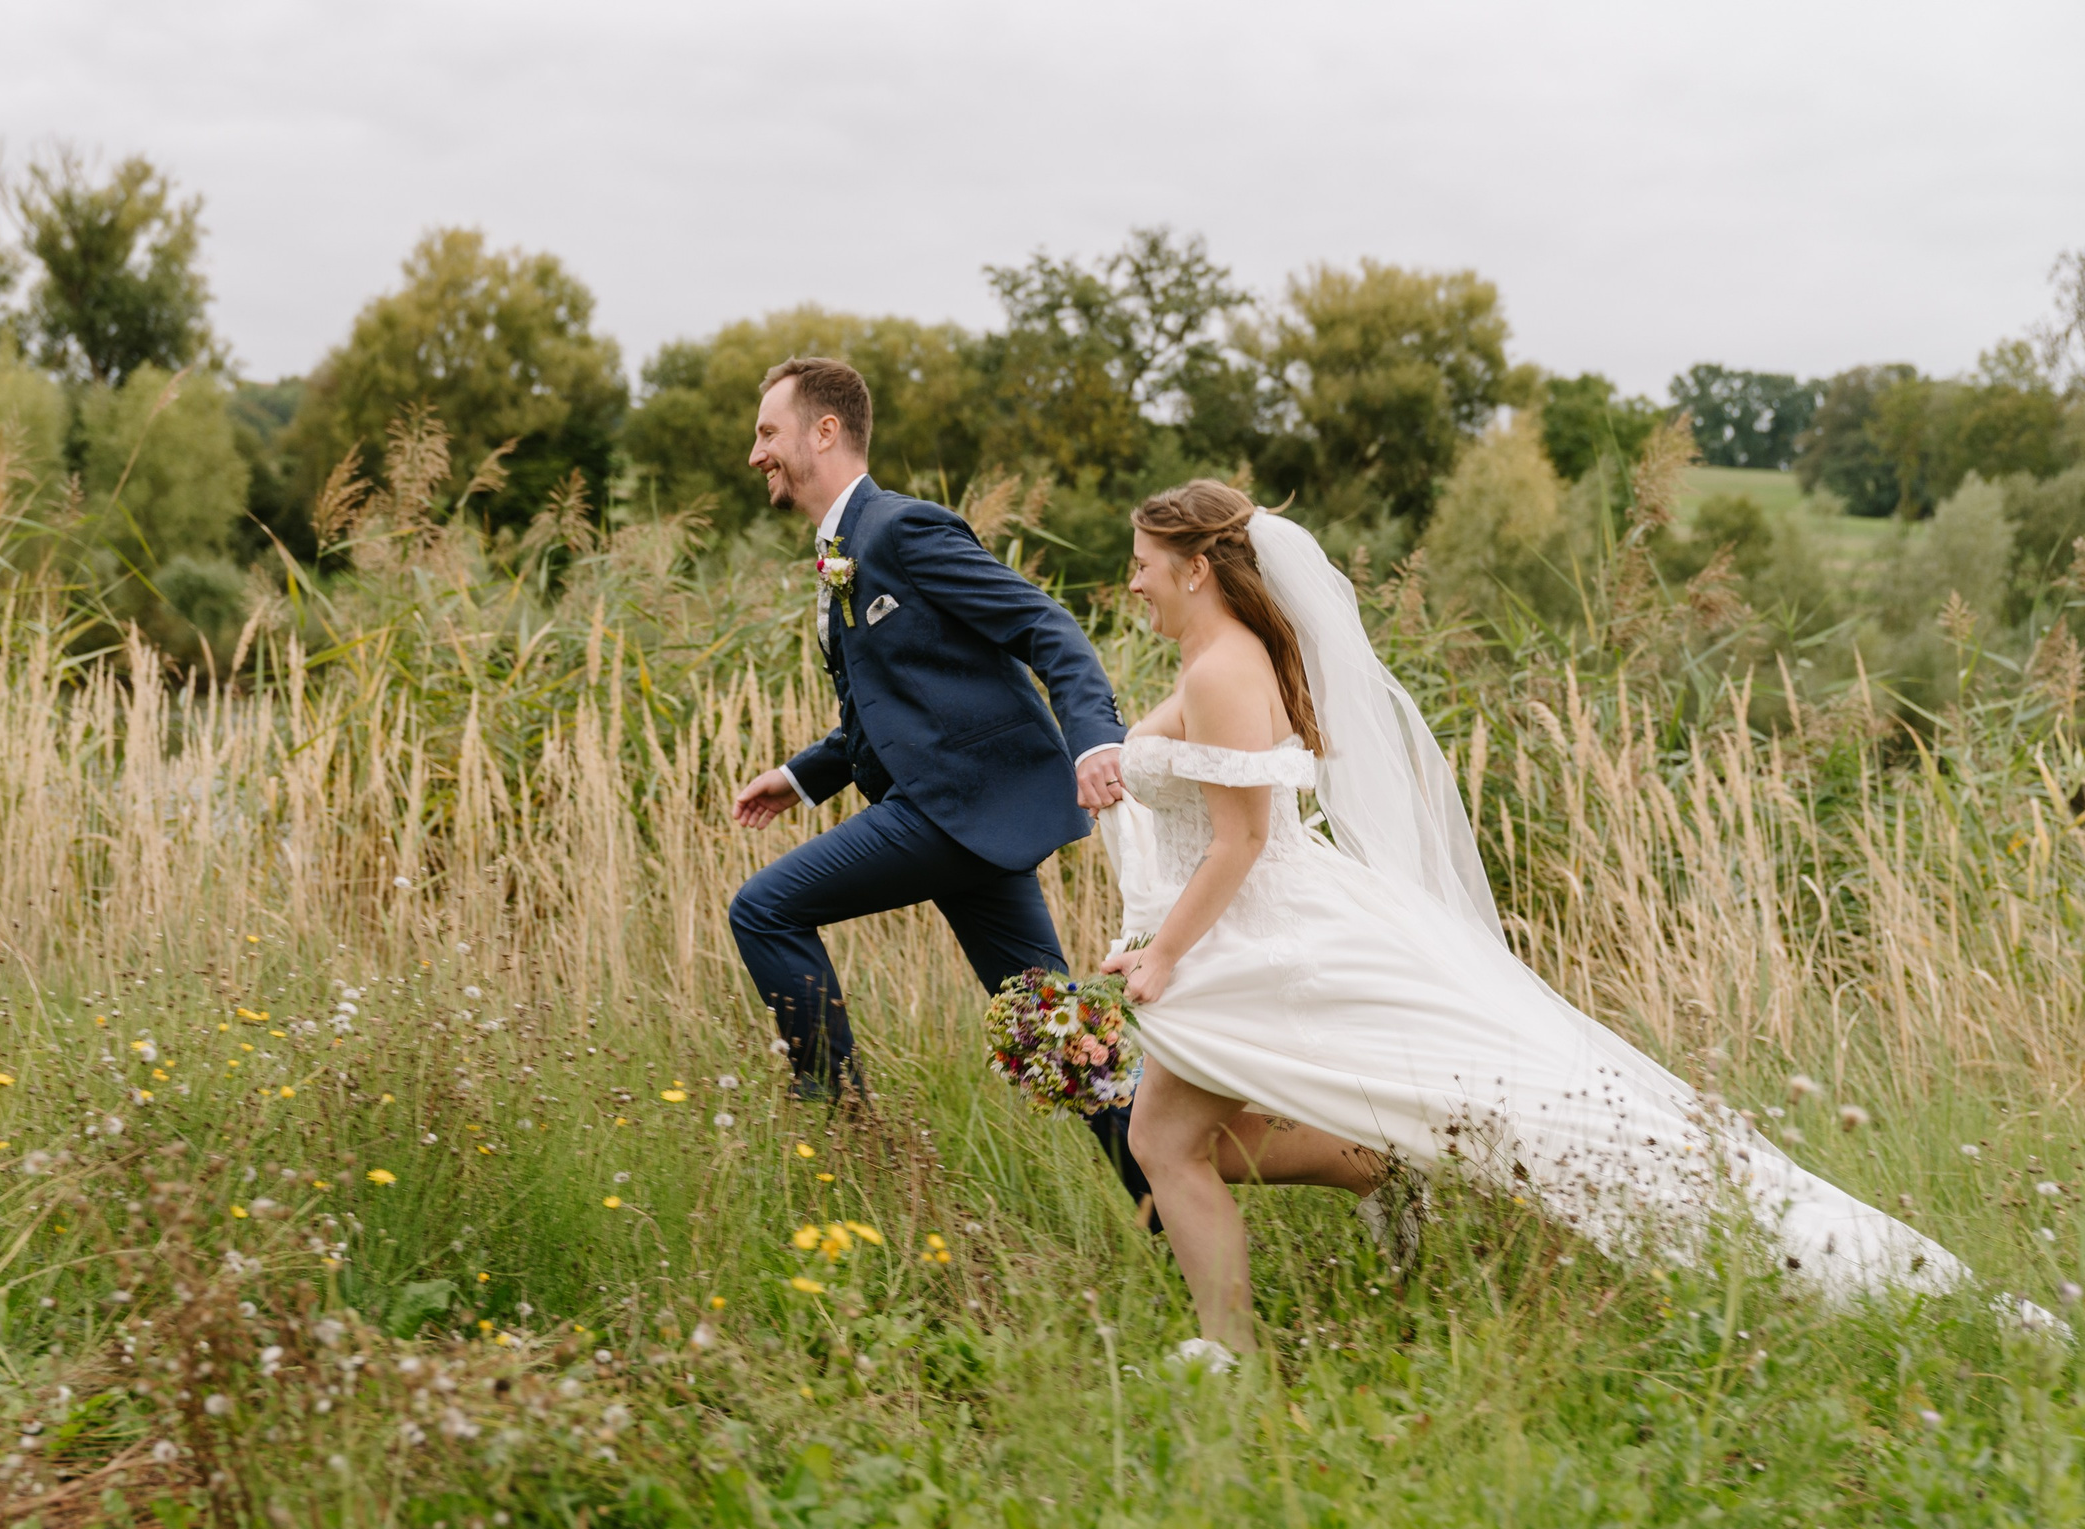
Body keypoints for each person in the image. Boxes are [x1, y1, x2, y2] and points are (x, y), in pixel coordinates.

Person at [1100, 479, 1989, 1369]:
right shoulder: (1223, 656)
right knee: (1179, 1141)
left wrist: (1163, 954)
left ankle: (1235, 1342)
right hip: (1241, 928)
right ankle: (1364, 1172)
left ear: (1197, 568)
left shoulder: (1221, 669)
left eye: (1143, 565)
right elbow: (1198, 794)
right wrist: (1117, 774)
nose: (1133, 582)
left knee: (1167, 1141)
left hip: (1255, 935)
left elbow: (1244, 838)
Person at [726, 357, 1155, 1217]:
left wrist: (1096, 740)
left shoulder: (901, 529)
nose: (755, 454)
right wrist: (803, 776)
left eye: (768, 432)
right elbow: (898, 708)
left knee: (763, 909)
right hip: (966, 822)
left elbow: (1044, 624)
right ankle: (1177, 1206)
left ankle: (842, 1133)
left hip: (949, 809)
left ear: (824, 432)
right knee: (1054, 1035)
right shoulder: (843, 550)